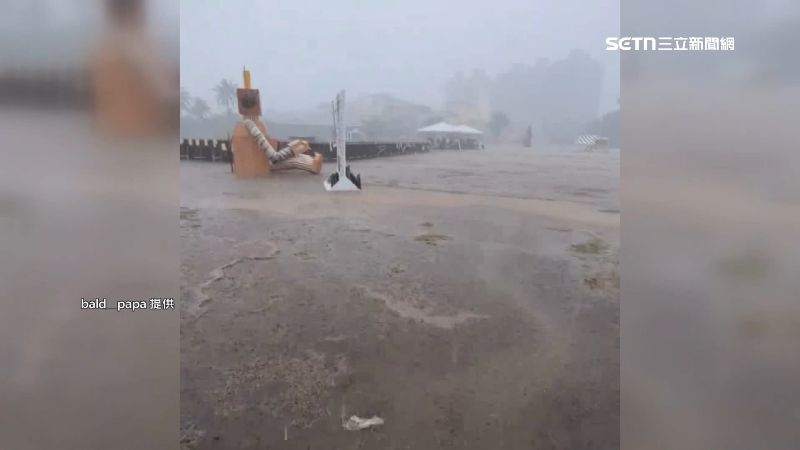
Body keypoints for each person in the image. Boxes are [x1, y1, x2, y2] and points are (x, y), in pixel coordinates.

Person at [91, 0, 178, 136]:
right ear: (137, 10)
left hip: (110, 136)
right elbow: (166, 94)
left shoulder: (103, 49)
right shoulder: (137, 44)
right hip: (143, 138)